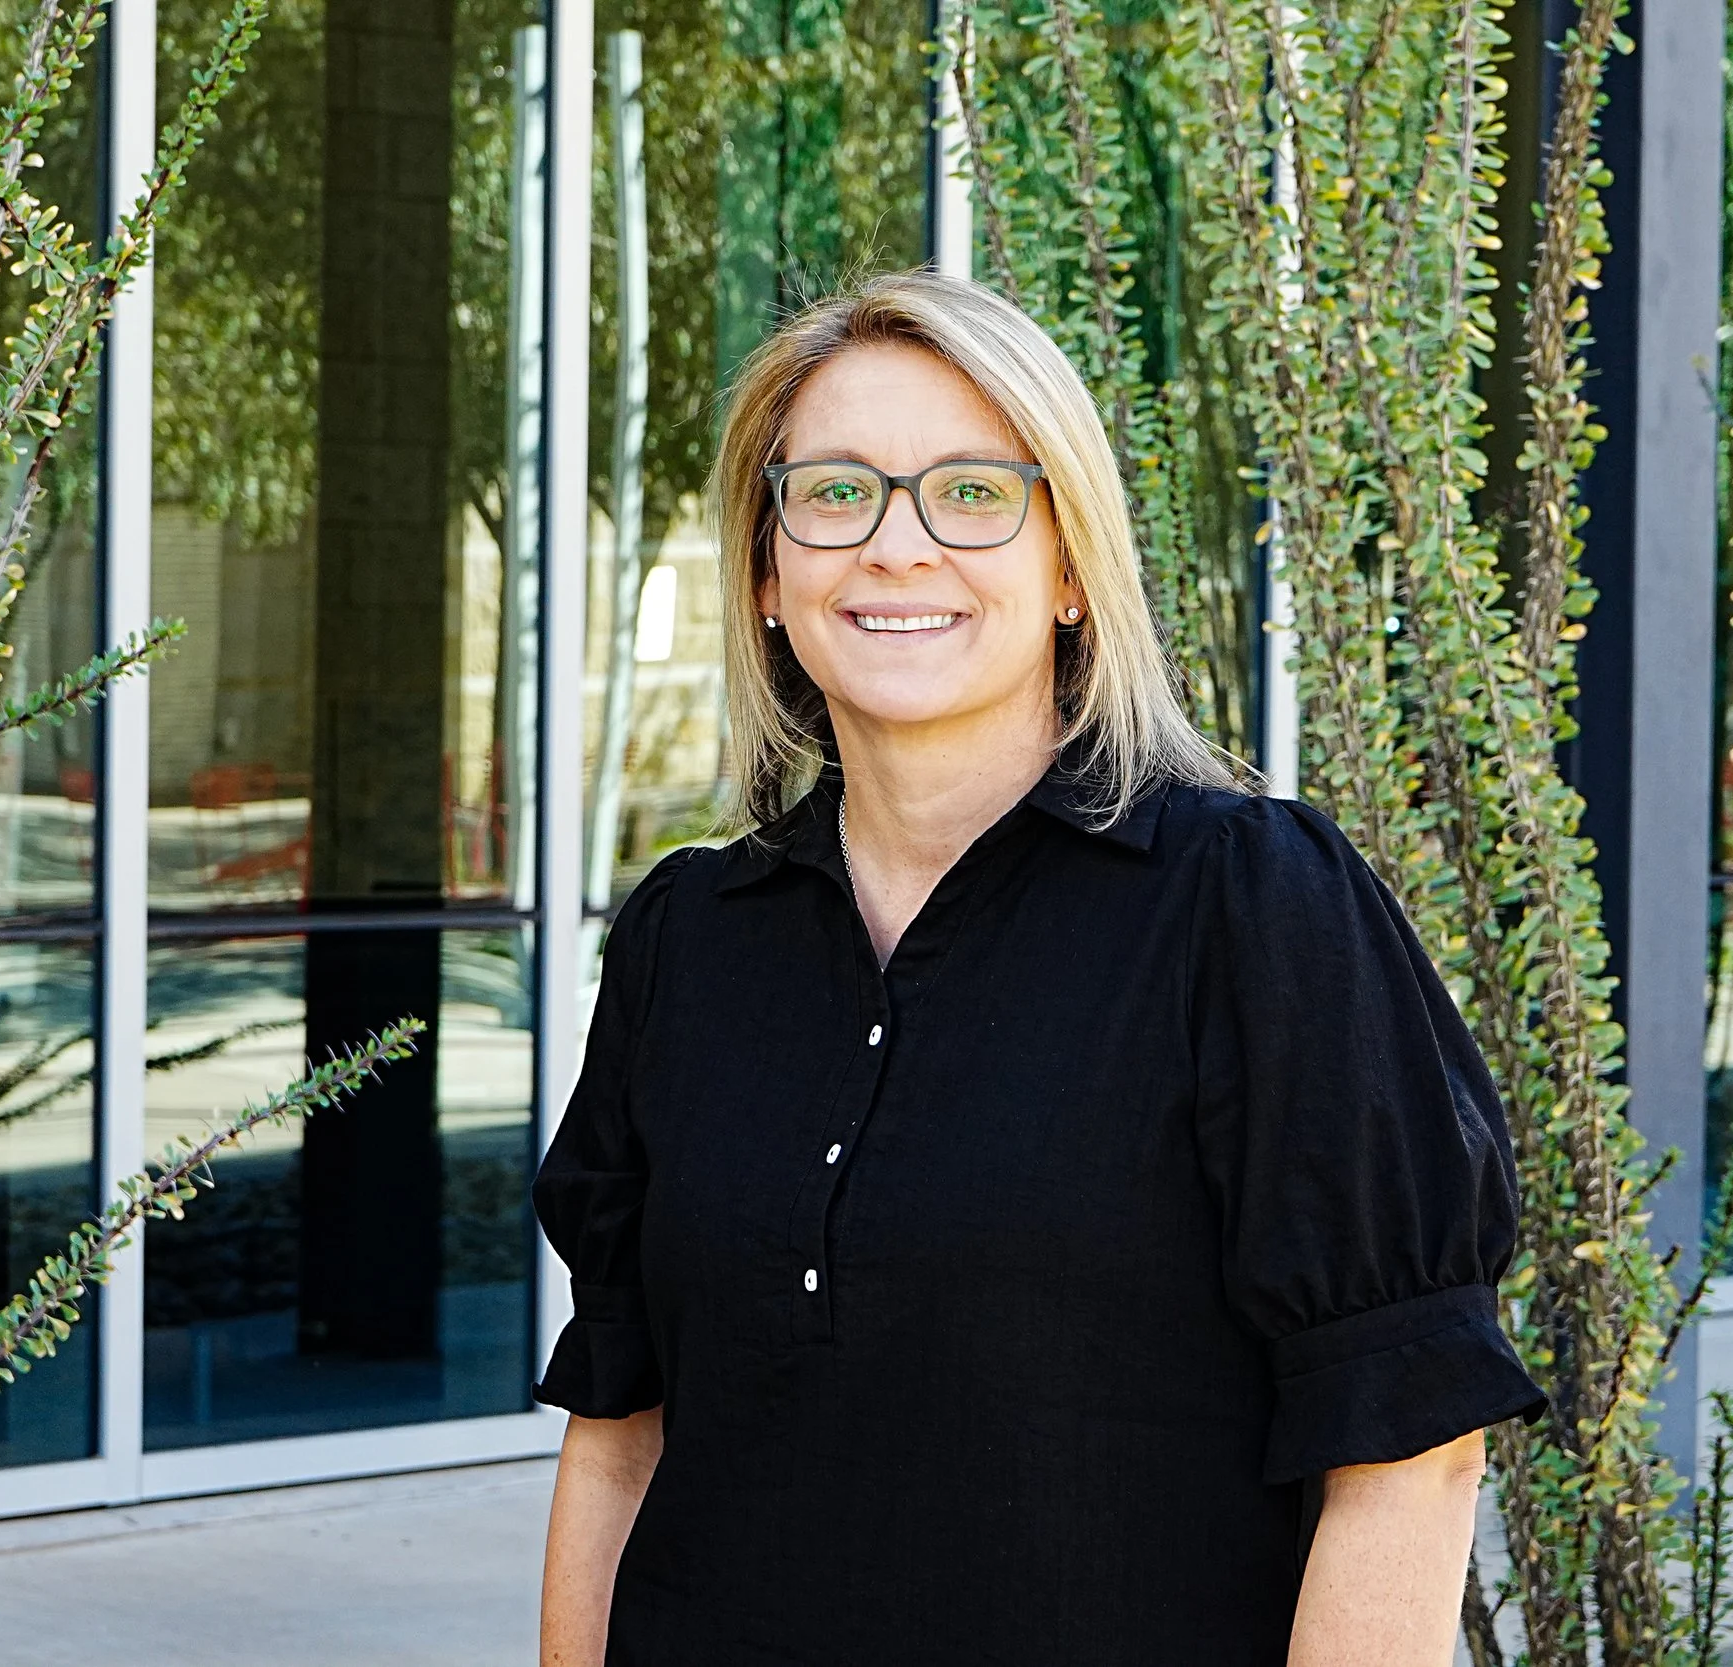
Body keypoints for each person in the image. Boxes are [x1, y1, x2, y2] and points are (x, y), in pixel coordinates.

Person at [532, 269, 1544, 1666]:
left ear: (1071, 568)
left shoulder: (1251, 905)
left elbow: (1409, 1452)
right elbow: (621, 1437)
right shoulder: (686, 938)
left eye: (972, 494)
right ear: (769, 573)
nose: (897, 547)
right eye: (834, 492)